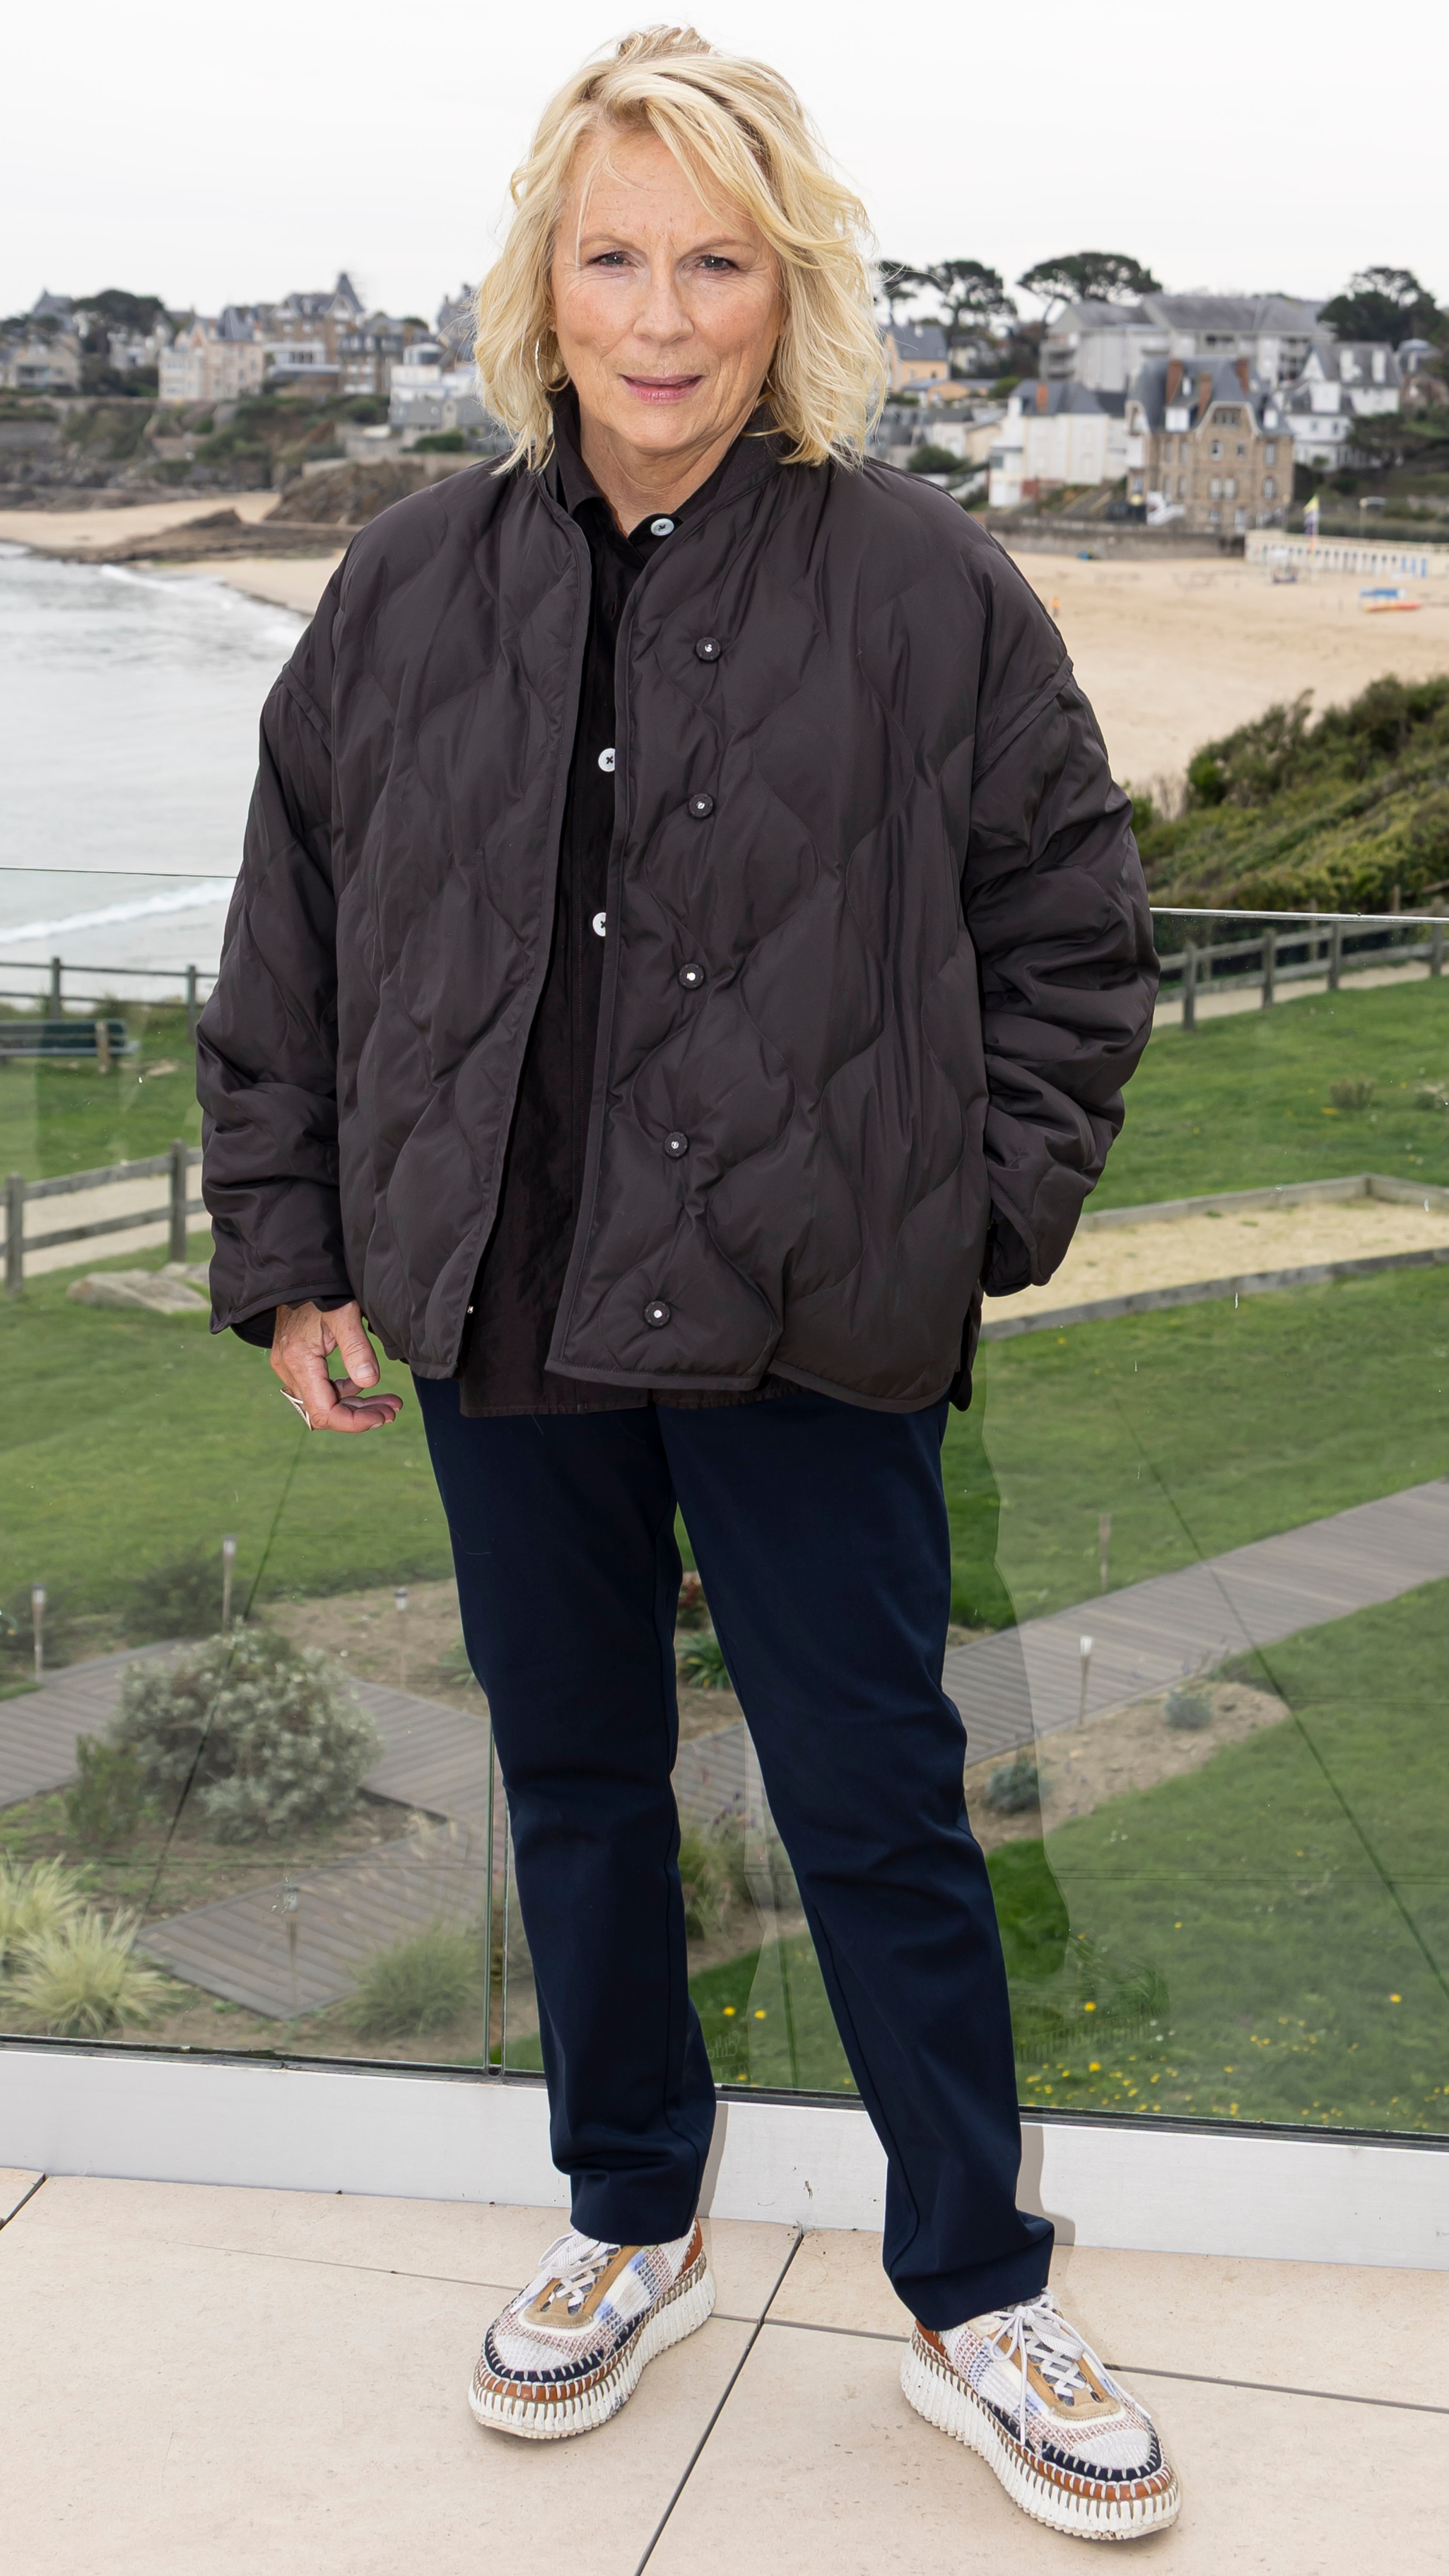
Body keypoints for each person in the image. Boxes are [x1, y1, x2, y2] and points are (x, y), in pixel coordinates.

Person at [199, 28, 1175, 2543]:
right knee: (579, 1789)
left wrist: (963, 1223)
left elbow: (1073, 939)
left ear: (789, 284)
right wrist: (297, 1245)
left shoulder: (926, 583)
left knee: (878, 1807)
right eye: (613, 255)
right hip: (505, 1308)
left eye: (713, 260)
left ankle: (973, 2292)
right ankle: (628, 2214)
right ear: (543, 273)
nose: (660, 315)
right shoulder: (409, 577)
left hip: (804, 1321)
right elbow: (289, 928)